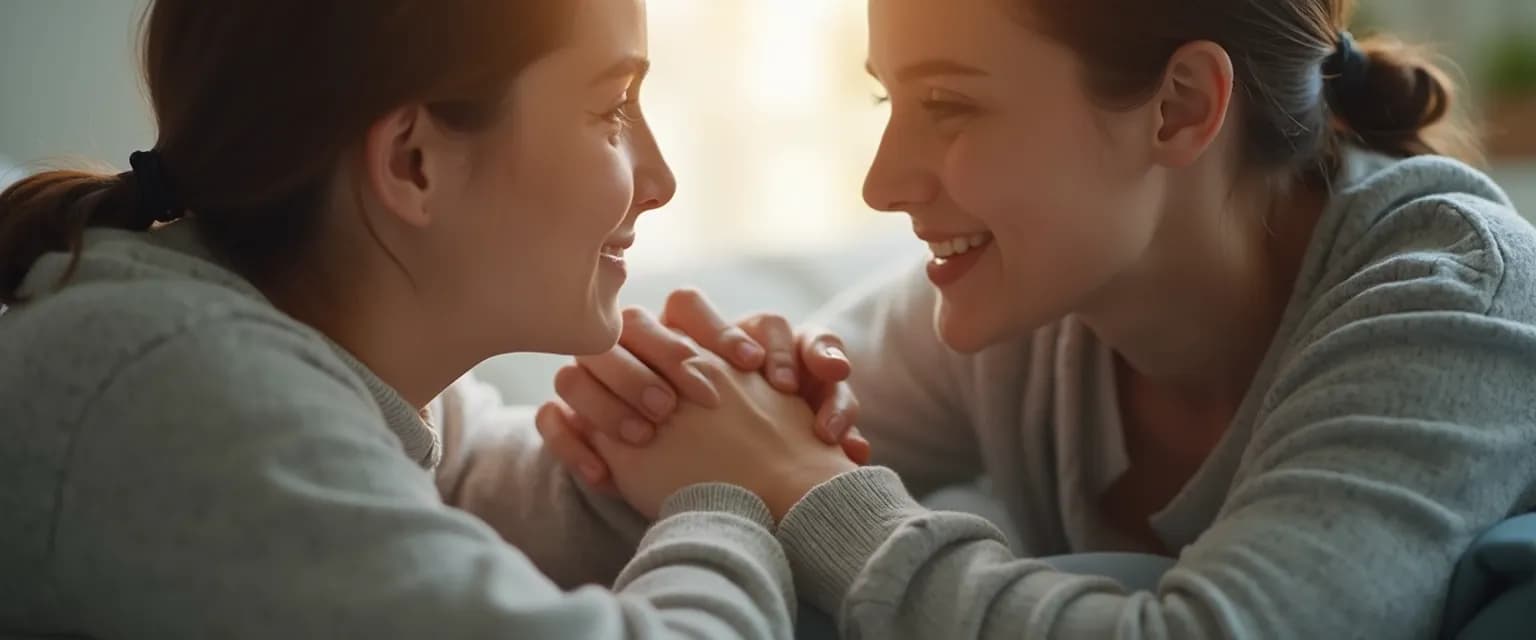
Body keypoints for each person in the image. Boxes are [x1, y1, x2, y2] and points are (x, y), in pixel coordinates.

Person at [541, 0, 1536, 637]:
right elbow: (721, 449)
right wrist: (702, 411)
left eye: (949, 105)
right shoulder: (1035, 305)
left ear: (1180, 106)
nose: (883, 182)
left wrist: (804, 485)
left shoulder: (1452, 298)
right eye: (889, 101)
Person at [0, 1, 864, 637]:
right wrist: (730, 499)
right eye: (611, 110)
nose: (662, 177)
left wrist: (709, 424)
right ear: (413, 162)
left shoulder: (292, 347)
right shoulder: (174, 388)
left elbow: (467, 489)